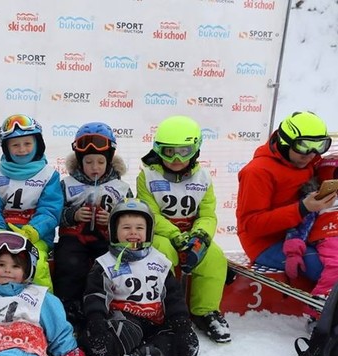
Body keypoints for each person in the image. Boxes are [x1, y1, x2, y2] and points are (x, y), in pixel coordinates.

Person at [136, 115, 230, 343]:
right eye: (169, 152)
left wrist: (200, 236)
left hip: (191, 233)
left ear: (196, 149)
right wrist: (176, 236)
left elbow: (207, 214)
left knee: (215, 258)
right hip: (161, 234)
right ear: (158, 150)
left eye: (184, 151)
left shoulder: (203, 177)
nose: (176, 159)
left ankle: (205, 312)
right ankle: (161, 311)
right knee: (162, 256)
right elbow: (151, 214)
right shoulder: (147, 176)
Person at [81, 199, 199, 356]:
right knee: (120, 337)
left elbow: (174, 297)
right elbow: (95, 297)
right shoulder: (105, 263)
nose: (133, 232)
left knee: (188, 346)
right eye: (126, 228)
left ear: (148, 231)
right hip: (125, 321)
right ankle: (140, 351)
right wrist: (96, 323)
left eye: (139, 228)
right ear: (114, 231)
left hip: (157, 322)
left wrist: (182, 324)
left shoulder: (160, 261)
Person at [237, 111, 335, 281]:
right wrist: (303, 208)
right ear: (285, 142)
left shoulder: (309, 161)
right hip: (267, 243)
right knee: (327, 268)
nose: (311, 154)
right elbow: (251, 225)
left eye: (319, 146)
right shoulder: (258, 172)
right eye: (303, 146)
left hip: (306, 233)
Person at [53, 122, 133, 328]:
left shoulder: (121, 187)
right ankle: (69, 306)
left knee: (109, 264)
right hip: (74, 238)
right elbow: (54, 213)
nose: (95, 167)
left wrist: (112, 220)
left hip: (105, 239)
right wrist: (73, 214)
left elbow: (132, 217)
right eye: (88, 162)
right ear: (79, 161)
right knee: (69, 262)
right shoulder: (67, 184)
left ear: (110, 160)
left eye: (100, 161)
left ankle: (107, 305)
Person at [0, 114, 63, 290]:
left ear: (38, 144)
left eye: (27, 143)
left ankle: (44, 301)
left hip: (36, 235)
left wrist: (33, 230)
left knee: (36, 261)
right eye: (15, 145)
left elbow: (50, 210)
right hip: (3, 233)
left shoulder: (49, 175)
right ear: (6, 148)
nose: (22, 149)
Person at [282, 150, 338, 318]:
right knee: (336, 267)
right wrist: (293, 253)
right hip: (329, 237)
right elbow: (299, 227)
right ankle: (319, 311)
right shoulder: (316, 199)